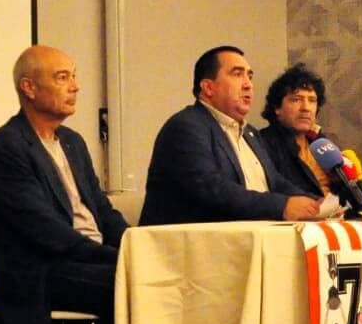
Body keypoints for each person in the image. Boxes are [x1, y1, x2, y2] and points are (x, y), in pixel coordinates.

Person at [0, 45, 128, 324]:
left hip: (90, 260)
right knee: (142, 284)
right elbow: (48, 234)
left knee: (162, 276)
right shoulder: (7, 147)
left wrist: (135, 243)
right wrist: (123, 257)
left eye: (74, 76)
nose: (75, 87)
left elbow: (101, 209)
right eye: (63, 78)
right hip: (43, 273)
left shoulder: (73, 142)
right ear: (29, 87)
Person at [139, 46, 326, 226]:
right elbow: (212, 188)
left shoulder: (250, 133)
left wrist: (319, 205)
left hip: (250, 236)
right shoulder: (186, 126)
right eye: (237, 74)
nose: (248, 85)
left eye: (250, 76)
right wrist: (282, 206)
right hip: (194, 246)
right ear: (208, 88)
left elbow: (276, 182)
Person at [257, 63, 347, 202]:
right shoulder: (262, 144)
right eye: (296, 99)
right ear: (277, 107)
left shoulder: (321, 143)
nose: (306, 108)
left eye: (312, 100)